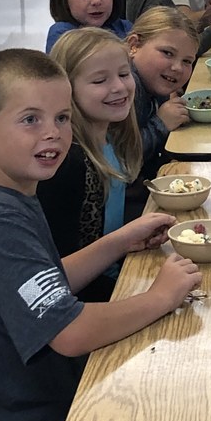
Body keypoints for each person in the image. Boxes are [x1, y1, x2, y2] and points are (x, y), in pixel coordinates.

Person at [0, 48, 201, 421]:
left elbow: (41, 285)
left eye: (62, 118)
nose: (54, 134)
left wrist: (116, 242)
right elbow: (70, 332)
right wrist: (161, 297)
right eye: (31, 119)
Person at [38, 28, 143, 302]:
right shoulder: (69, 163)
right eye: (99, 80)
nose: (119, 87)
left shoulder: (111, 139)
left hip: (115, 272)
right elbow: (60, 277)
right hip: (88, 297)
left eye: (124, 74)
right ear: (67, 91)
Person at [126, 7, 203, 179]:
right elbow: (121, 160)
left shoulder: (155, 82)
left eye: (187, 61)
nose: (177, 68)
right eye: (167, 53)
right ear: (134, 45)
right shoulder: (126, 88)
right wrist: (160, 124)